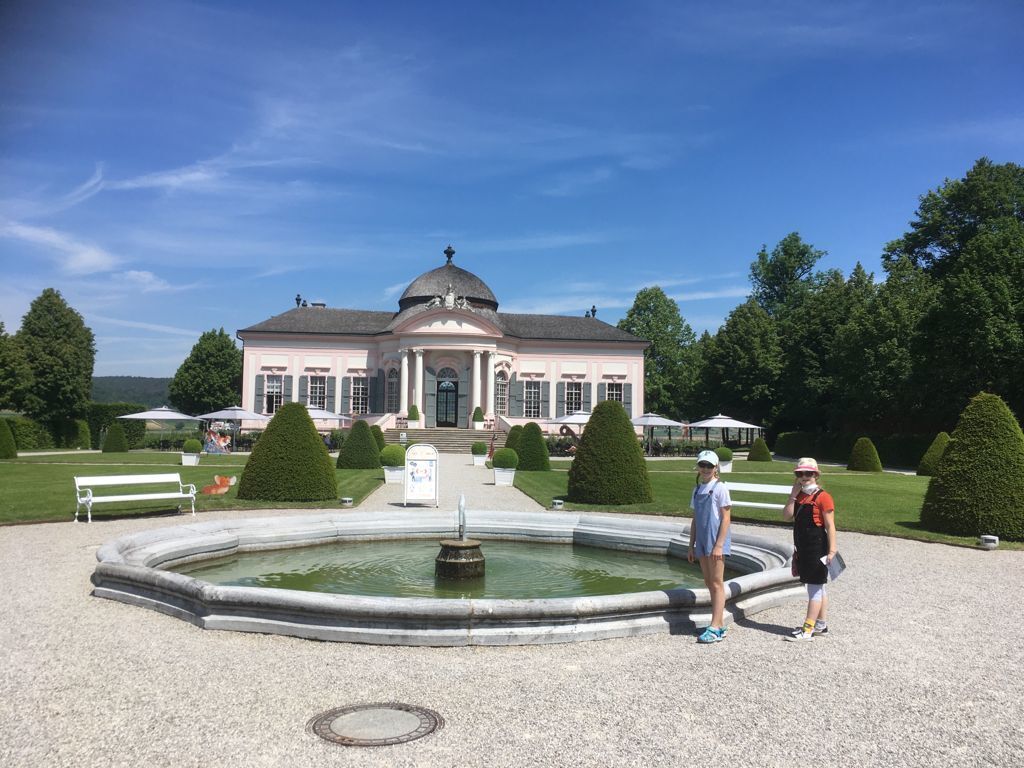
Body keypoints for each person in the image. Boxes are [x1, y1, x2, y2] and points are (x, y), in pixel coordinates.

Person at [783, 457, 837, 642]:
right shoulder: (799, 495)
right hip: (803, 547)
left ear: (815, 475)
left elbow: (830, 526)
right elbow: (787, 516)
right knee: (818, 587)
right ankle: (821, 624)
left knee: (814, 589)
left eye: (808, 473)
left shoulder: (823, 497)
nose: (804, 477)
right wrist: (792, 494)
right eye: (800, 473)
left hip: (817, 548)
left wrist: (832, 550)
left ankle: (808, 630)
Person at [688, 449, 732, 644]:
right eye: (702, 465)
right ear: (698, 467)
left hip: (715, 540)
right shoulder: (697, 490)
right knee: (708, 582)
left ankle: (715, 626)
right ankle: (719, 623)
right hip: (702, 540)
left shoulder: (720, 488)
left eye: (709, 466)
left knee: (716, 582)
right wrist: (691, 545)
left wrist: (719, 545)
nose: (705, 469)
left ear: (716, 468)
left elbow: (726, 518)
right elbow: (695, 520)